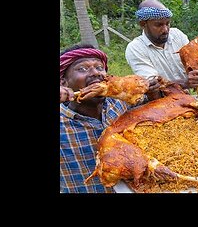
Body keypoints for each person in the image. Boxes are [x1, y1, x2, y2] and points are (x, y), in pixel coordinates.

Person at [60, 44, 162, 193]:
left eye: (100, 67)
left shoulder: (119, 102)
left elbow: (153, 105)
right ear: (63, 82)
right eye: (82, 68)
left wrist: (153, 91)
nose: (95, 73)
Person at [125, 0, 198, 90]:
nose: (165, 30)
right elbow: (154, 85)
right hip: (158, 102)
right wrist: (184, 83)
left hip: (185, 98)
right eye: (159, 25)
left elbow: (193, 63)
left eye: (167, 23)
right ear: (143, 24)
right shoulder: (135, 48)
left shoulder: (177, 35)